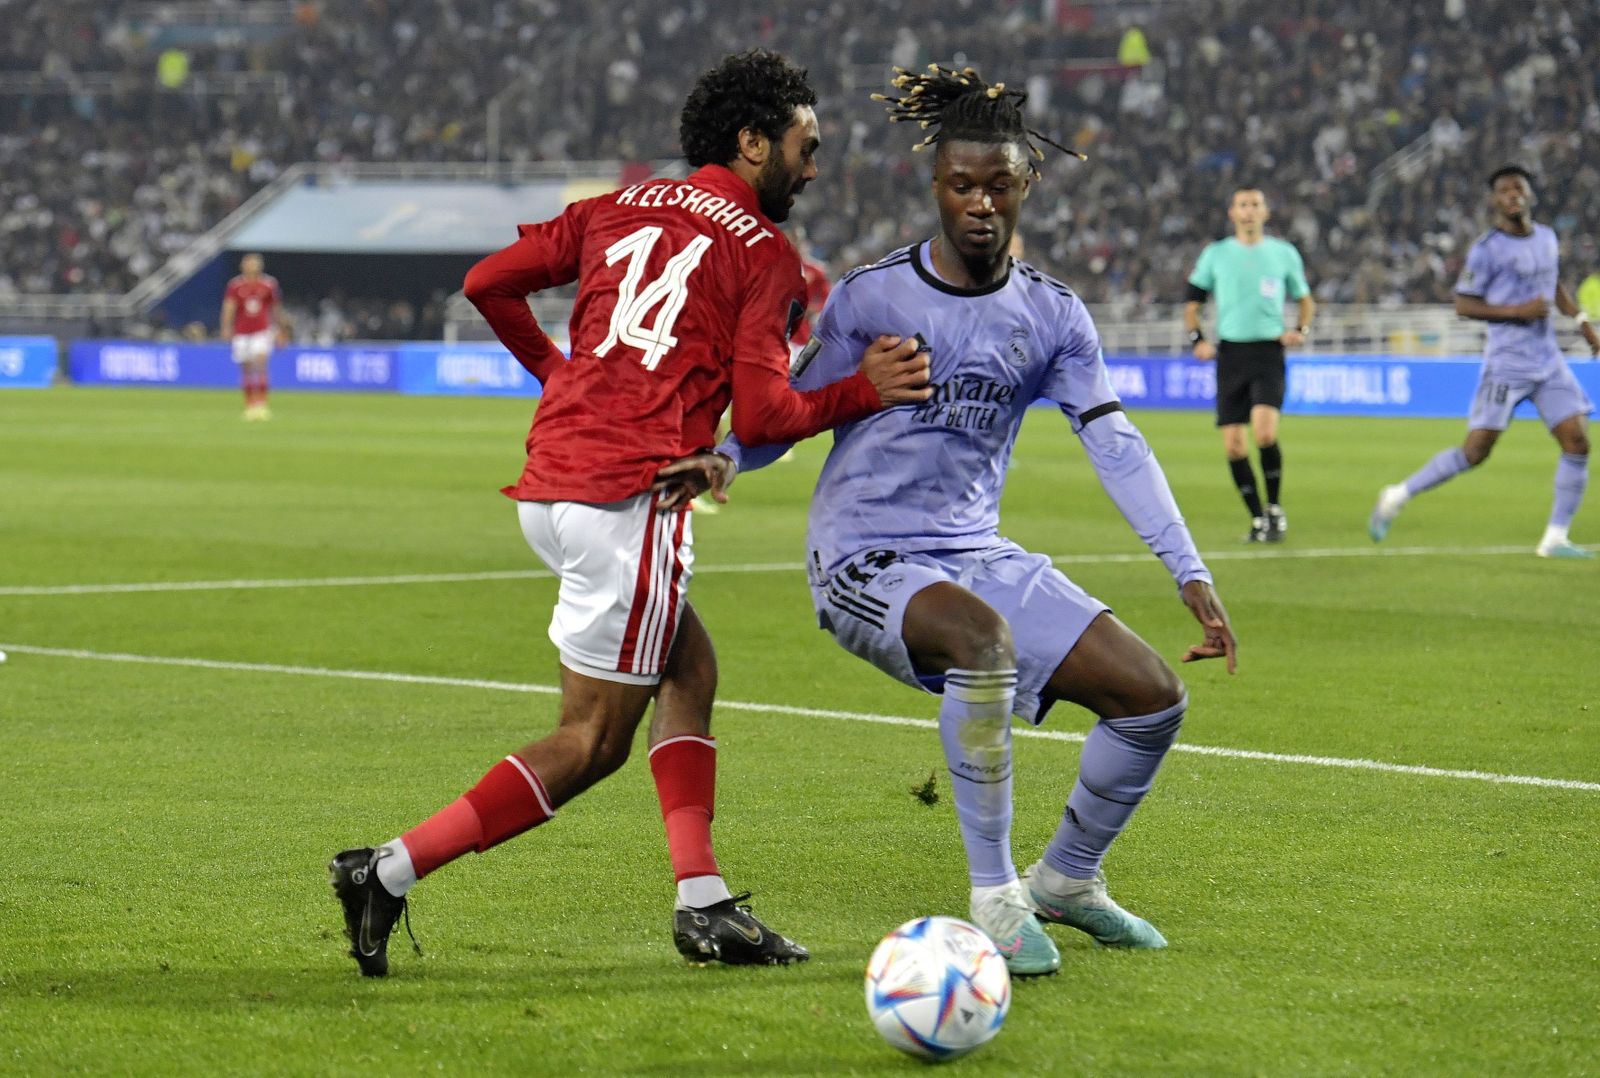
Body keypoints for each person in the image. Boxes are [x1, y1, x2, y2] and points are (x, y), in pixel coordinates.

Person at [326, 48, 933, 978]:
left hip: (554, 479)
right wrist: (866, 392)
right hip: (631, 498)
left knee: (689, 665)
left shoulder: (618, 205)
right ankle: (388, 870)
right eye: (807, 148)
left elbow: (489, 280)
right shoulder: (766, 254)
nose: (814, 169)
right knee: (595, 740)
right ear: (752, 140)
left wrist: (558, 373)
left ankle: (703, 900)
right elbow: (768, 415)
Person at [710, 64, 1237, 976]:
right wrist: (724, 456)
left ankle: (1068, 878)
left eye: (999, 183)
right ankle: (994, 897)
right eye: (963, 184)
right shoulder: (873, 299)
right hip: (863, 554)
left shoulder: (1053, 314)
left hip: (974, 550)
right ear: (937, 185)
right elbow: (787, 410)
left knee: (1151, 698)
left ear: (1024, 184)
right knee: (982, 642)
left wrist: (1187, 569)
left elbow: (1114, 441)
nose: (981, 203)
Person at [1369, 165, 1597, 558]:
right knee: (1475, 452)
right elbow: (1463, 304)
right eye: (1505, 191)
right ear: (1494, 201)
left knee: (1577, 442)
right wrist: (1517, 311)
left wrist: (1581, 322)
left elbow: (1553, 284)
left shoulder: (1546, 237)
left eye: (1519, 188)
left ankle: (1555, 537)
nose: (1513, 195)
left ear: (1530, 195)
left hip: (1548, 362)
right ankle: (1398, 494)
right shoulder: (1486, 250)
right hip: (1506, 364)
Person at [1183, 188, 1316, 543]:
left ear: (1265, 212)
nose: (1248, 211)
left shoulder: (1283, 254)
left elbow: (1305, 300)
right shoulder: (1216, 254)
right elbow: (1192, 303)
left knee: (1265, 433)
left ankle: (1274, 508)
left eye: (1255, 205)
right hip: (1230, 354)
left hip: (1268, 353)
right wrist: (1198, 340)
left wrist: (1300, 330)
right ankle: (1258, 519)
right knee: (1234, 446)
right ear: (1232, 213)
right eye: (1243, 205)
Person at [220, 253, 283, 420]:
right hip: (242, 332)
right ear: (243, 266)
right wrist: (226, 327)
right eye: (249, 263)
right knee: (246, 369)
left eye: (255, 263)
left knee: (261, 363)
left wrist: (279, 330)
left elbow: (275, 308)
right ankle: (250, 405)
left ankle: (262, 405)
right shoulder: (235, 285)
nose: (252, 266)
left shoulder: (269, 284)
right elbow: (229, 307)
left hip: (262, 331)